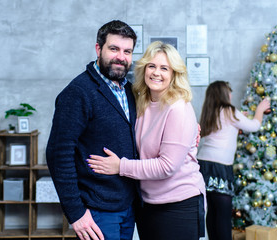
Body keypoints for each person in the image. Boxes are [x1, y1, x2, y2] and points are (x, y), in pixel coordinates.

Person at [87, 41, 206, 240]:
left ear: (174, 73)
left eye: (164, 68)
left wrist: (120, 166)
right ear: (144, 69)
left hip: (179, 205)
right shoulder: (141, 101)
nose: (156, 73)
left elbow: (167, 166)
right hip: (148, 203)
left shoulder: (178, 108)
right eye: (152, 66)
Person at [46, 20, 139, 240]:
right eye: (114, 49)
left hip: (128, 205)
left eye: (127, 51)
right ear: (99, 49)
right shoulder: (78, 92)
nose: (121, 57)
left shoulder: (130, 89)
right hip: (97, 210)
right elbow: (58, 154)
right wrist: (76, 213)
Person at [197, 81, 270, 240]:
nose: (231, 95)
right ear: (224, 94)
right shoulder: (230, 111)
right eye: (229, 92)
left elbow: (226, 128)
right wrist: (260, 109)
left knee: (213, 211)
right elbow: (254, 126)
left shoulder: (210, 111)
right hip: (221, 166)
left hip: (203, 165)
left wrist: (238, 119)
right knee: (223, 214)